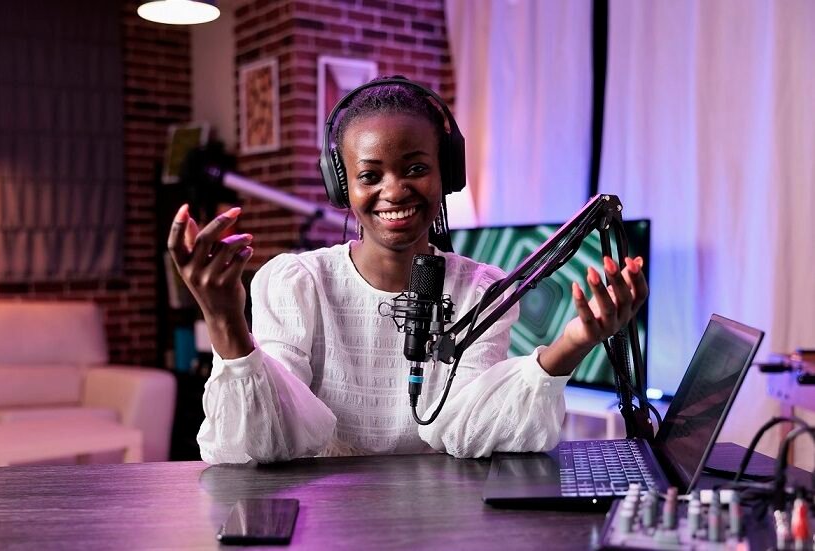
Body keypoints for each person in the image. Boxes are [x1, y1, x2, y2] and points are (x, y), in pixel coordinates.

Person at [167, 77, 648, 465]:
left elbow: (468, 427)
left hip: (437, 519)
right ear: (342, 187)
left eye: (415, 168)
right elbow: (265, 442)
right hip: (318, 520)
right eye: (370, 175)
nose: (393, 191)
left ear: (446, 174)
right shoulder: (298, 283)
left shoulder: (480, 290)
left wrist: (573, 343)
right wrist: (225, 320)